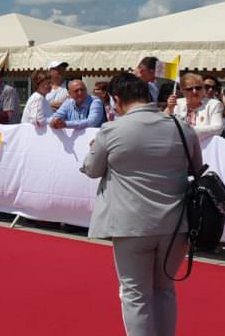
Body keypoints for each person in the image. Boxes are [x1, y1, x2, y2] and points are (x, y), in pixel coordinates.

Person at [81, 72, 201, 336]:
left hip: (131, 223)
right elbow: (197, 167)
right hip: (176, 223)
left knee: (135, 295)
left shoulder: (112, 129)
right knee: (165, 290)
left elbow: (91, 169)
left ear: (117, 99)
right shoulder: (182, 126)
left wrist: (94, 147)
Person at [163, 73, 225, 138]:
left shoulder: (214, 104)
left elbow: (218, 128)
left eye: (198, 88)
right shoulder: (177, 103)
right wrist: (169, 108)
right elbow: (163, 124)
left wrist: (189, 131)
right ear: (182, 90)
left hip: (203, 146)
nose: (194, 91)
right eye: (190, 89)